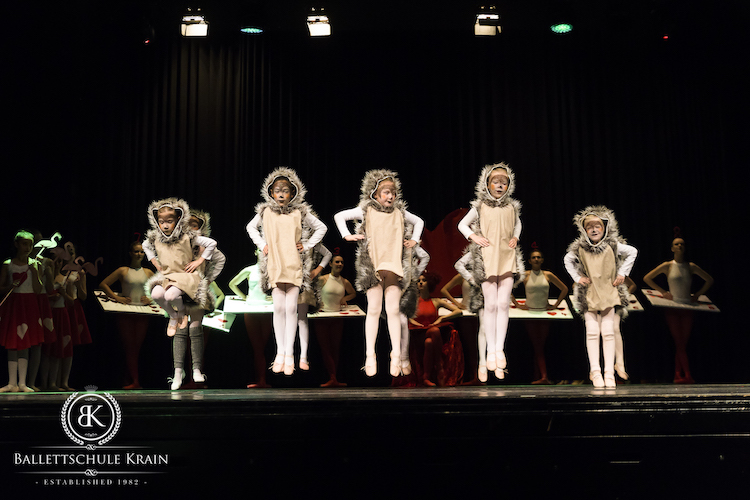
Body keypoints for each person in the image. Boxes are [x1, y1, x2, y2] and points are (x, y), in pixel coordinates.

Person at [334, 169, 424, 377]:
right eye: (386, 192)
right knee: (374, 310)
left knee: (393, 311)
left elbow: (419, 222)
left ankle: (396, 355)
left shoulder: (400, 212)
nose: (390, 196)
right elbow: (340, 216)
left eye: (393, 192)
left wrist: (415, 240)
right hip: (373, 266)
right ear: (375, 194)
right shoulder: (366, 210)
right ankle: (370, 355)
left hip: (394, 266)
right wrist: (347, 235)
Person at [247, 168, 327, 376]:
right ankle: (280, 354)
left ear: (293, 193)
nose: (281, 194)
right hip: (275, 263)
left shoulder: (300, 212)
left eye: (285, 190)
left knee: (291, 308)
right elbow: (250, 228)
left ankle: (290, 354)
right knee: (278, 308)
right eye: (277, 190)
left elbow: (321, 228)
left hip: (293, 262)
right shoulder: (265, 211)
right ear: (271, 192)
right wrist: (262, 244)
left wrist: (307, 245)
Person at [457, 162, 524, 380]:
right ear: (487, 184)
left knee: (503, 304)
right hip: (487, 258)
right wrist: (473, 237)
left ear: (509, 185)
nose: (500, 185)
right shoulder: (479, 206)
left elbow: (518, 224)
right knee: (491, 305)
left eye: (504, 182)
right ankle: (489, 353)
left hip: (506, 256)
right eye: (495, 182)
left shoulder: (511, 207)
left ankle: (498, 349)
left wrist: (515, 237)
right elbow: (462, 225)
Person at [142, 197, 217, 389]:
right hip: (171, 280)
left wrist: (202, 268)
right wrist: (154, 262)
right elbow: (146, 246)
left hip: (191, 284)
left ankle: (197, 369)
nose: (166, 225)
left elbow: (218, 256)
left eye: (196, 225)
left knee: (195, 329)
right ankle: (177, 372)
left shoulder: (191, 239)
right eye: (162, 221)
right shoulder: (160, 239)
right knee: (179, 329)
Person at [564, 206, 637, 389]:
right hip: (589, 292)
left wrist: (622, 273)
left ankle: (609, 373)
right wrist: (577, 278)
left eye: (598, 226)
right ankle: (595, 371)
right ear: (584, 230)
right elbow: (567, 260)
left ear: (605, 228)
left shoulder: (613, 245)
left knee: (608, 332)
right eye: (590, 227)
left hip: (608, 291)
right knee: (592, 332)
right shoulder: (580, 248)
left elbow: (632, 252)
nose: (594, 229)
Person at [643, 233, 714, 384]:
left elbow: (709, 280)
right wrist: (663, 292)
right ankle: (685, 374)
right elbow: (647, 278)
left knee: (682, 342)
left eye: (682, 244)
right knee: (679, 341)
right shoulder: (668, 265)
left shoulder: (691, 266)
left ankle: (680, 375)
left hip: (687, 305)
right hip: (673, 306)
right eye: (677, 244)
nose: (680, 246)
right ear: (672, 248)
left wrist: (697, 295)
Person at [99, 240, 155, 389]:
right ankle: (135, 381)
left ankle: (128, 378)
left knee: (136, 347)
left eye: (141, 252)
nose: (139, 254)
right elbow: (103, 284)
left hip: (142, 313)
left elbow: (162, 289)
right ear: (130, 253)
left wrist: (151, 298)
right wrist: (116, 298)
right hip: (125, 313)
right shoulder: (122, 270)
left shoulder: (148, 272)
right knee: (129, 346)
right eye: (136, 251)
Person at [511, 247, 568, 385]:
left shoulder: (548, 275)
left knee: (540, 345)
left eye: (538, 257)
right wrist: (517, 305)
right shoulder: (525, 275)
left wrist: (555, 305)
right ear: (529, 261)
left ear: (542, 260)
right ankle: (542, 377)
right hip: (530, 314)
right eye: (534, 257)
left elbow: (564, 289)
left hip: (543, 313)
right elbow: (507, 288)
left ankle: (540, 377)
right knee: (537, 345)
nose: (536, 259)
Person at [0, 231, 45, 393]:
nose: (28, 248)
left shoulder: (35, 264)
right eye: (24, 244)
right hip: (14, 305)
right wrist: (10, 286)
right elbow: (1, 288)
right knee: (12, 341)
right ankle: (11, 383)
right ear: (16, 244)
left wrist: (34, 272)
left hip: (29, 305)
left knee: (25, 342)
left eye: (30, 245)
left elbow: (38, 290)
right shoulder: (8, 264)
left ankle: (22, 383)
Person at [407, 272, 462, 386]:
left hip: (432, 334)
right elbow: (405, 315)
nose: (420, 283)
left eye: (424, 280)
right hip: (418, 333)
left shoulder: (436, 301)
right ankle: (439, 367)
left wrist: (441, 318)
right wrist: (415, 322)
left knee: (429, 342)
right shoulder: (413, 301)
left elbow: (458, 311)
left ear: (429, 283)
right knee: (434, 332)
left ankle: (426, 377)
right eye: (418, 281)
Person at [228, 250, 274, 388]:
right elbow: (232, 284)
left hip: (266, 310)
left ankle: (262, 380)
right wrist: (244, 297)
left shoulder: (273, 270)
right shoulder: (250, 270)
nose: (263, 252)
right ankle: (261, 380)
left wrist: (274, 298)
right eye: (260, 249)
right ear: (255, 252)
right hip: (251, 310)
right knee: (257, 346)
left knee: (262, 346)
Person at [315, 252, 357, 387]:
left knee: (335, 348)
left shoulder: (344, 281)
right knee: (325, 348)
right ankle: (332, 377)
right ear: (331, 264)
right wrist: (318, 302)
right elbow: (311, 291)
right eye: (337, 262)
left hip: (337, 317)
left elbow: (353, 293)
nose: (339, 264)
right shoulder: (323, 279)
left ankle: (334, 378)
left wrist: (345, 298)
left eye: (342, 262)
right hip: (322, 317)